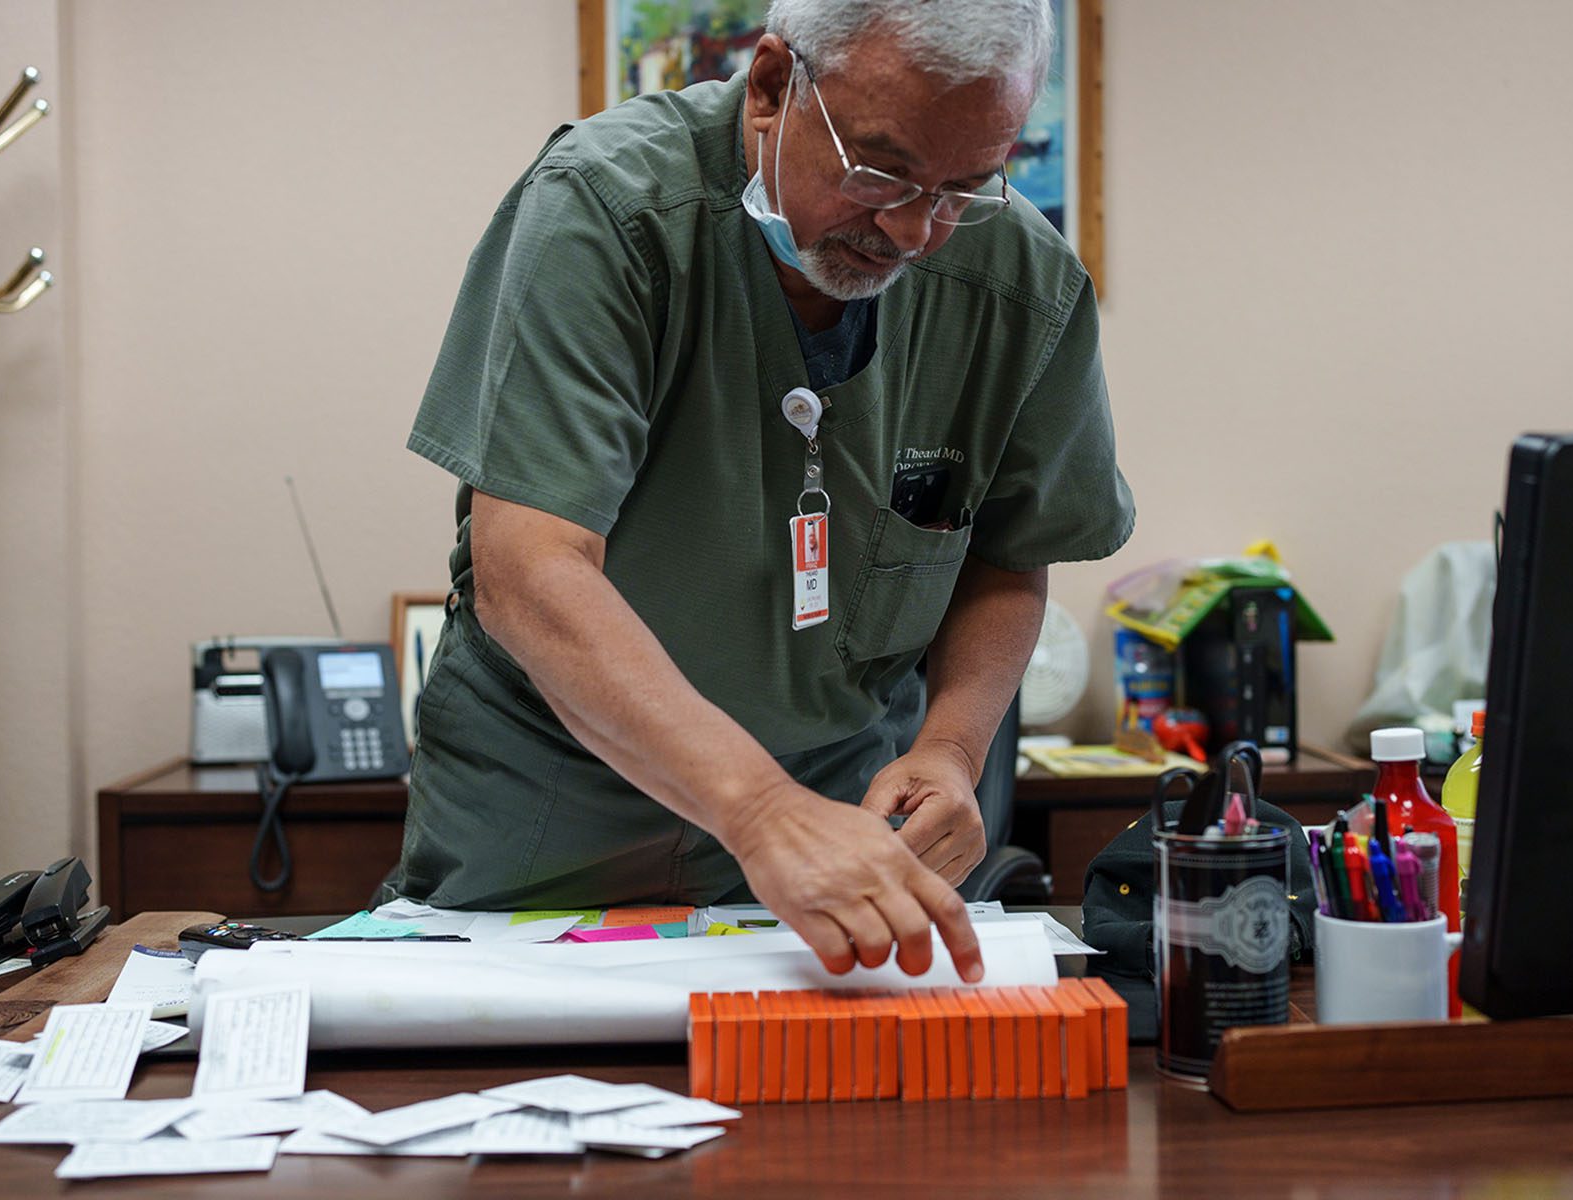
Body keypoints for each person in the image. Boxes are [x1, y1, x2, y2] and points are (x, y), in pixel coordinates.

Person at [386, 0, 1134, 982]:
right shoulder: (609, 210)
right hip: (556, 816)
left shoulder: (1020, 283)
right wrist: (758, 809)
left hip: (843, 824)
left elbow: (1008, 554)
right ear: (775, 84)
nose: (914, 229)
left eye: (965, 185)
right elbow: (528, 570)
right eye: (880, 169)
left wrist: (950, 748)